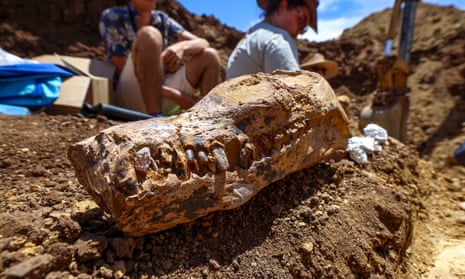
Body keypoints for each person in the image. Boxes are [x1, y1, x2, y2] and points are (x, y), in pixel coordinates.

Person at [99, 0, 221, 116]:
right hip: (128, 96)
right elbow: (120, 66)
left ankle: (211, 118)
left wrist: (181, 47)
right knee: (149, 34)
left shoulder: (163, 20)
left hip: (160, 93)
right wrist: (174, 94)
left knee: (210, 55)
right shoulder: (113, 16)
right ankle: (154, 118)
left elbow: (203, 43)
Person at [226, 0, 319, 80]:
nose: (302, 31)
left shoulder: (253, 34)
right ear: (282, 6)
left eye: (305, 28)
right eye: (302, 20)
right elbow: (295, 92)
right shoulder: (278, 39)